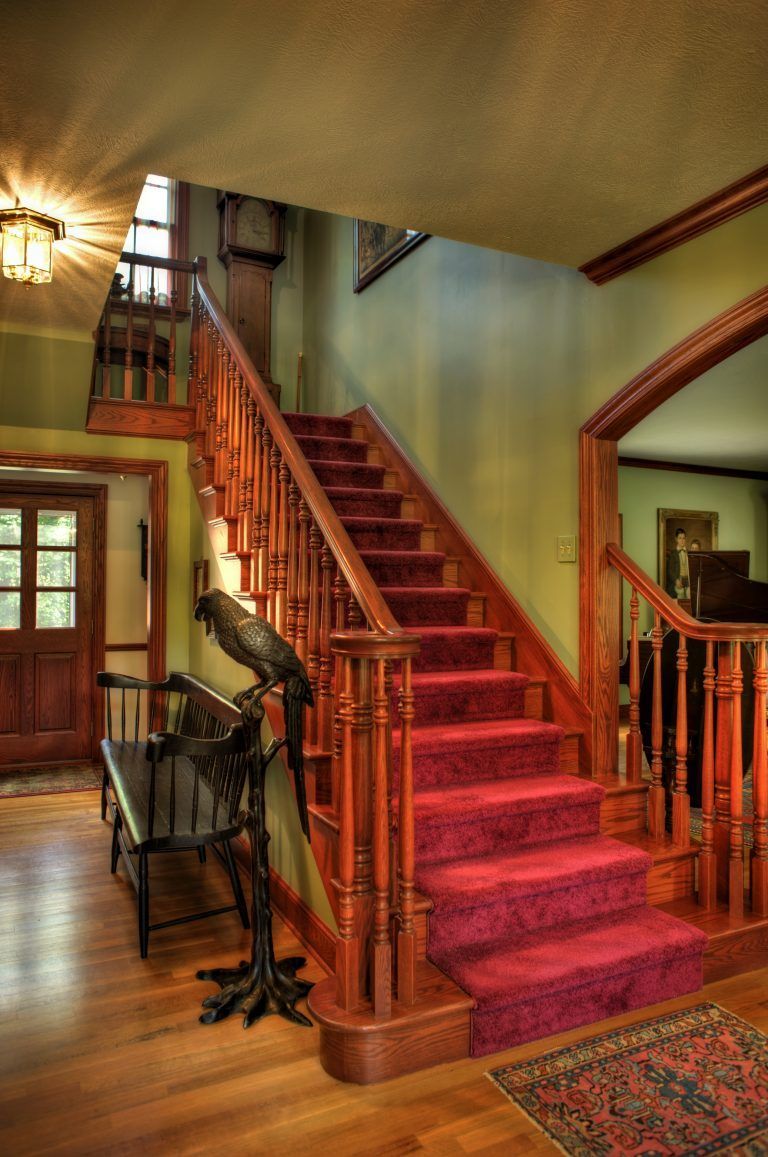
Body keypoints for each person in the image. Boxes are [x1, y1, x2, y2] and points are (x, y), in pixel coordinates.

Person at [666, 527, 690, 599]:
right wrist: (676, 580)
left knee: (690, 596)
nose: (682, 540)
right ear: (676, 539)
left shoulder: (689, 553)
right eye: (680, 538)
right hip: (678, 580)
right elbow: (669, 570)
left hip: (688, 581)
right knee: (681, 596)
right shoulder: (673, 554)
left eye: (683, 538)